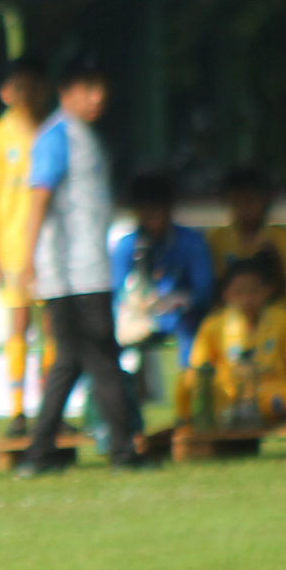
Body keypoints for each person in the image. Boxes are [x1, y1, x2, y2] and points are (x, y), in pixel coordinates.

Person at [15, 57, 145, 473]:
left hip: (83, 269)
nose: (98, 96)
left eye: (101, 87)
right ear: (65, 93)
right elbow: (38, 197)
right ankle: (123, 453)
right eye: (88, 88)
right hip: (74, 272)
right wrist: (28, 258)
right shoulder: (57, 136)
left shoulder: (83, 135)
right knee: (103, 359)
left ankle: (38, 454)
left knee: (69, 362)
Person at [0, 57, 51, 437]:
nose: (27, 95)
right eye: (19, 87)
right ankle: (18, 411)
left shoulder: (52, 130)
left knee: (53, 326)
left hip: (50, 246)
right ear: (6, 92)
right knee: (19, 324)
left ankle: (52, 408)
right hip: (15, 246)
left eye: (33, 86)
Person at [110, 171, 213, 414]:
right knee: (107, 343)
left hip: (181, 316)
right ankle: (122, 413)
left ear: (170, 209)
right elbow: (116, 293)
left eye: (157, 211)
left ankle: (188, 408)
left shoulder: (191, 242)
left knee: (191, 333)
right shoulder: (126, 246)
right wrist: (136, 304)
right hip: (138, 318)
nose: (151, 219)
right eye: (144, 212)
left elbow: (204, 290)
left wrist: (180, 300)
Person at [189, 257, 286, 426]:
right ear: (226, 294)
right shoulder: (213, 325)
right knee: (185, 383)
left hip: (271, 392)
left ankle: (270, 414)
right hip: (229, 395)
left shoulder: (282, 318)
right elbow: (200, 369)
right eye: (239, 292)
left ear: (267, 291)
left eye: (253, 291)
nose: (246, 298)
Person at [206, 167, 286, 290]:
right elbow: (214, 285)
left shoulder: (281, 237)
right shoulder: (215, 238)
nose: (243, 209)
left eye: (250, 201)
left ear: (265, 201)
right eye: (236, 202)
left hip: (273, 305)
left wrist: (276, 261)